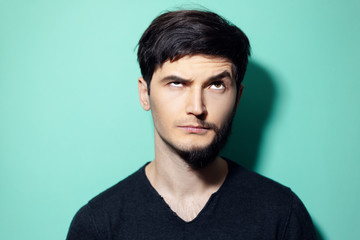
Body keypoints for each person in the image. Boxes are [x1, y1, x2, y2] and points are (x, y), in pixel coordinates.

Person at [66, 9, 317, 239]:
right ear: (145, 94)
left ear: (238, 99)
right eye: (177, 83)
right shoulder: (97, 225)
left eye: (216, 85)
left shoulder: (283, 214)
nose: (197, 108)